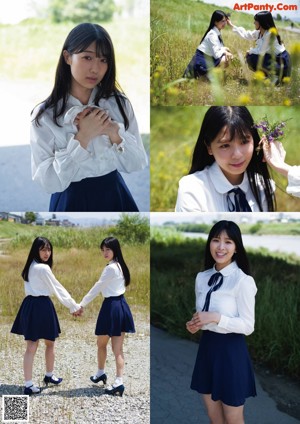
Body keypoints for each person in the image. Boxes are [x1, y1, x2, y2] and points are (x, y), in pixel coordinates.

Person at [30, 23, 148, 212]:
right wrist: (82, 137)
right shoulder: (45, 116)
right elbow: (47, 183)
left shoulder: (119, 104)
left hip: (115, 194)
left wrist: (113, 132)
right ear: (68, 57)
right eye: (87, 57)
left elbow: (137, 163)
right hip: (70, 200)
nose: (95, 68)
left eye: (103, 60)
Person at [186, 220, 257, 424]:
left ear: (236, 248)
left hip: (231, 353)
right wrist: (195, 323)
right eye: (216, 240)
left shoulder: (243, 281)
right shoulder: (202, 277)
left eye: (228, 242)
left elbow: (247, 325)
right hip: (207, 349)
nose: (221, 247)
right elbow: (202, 313)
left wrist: (217, 317)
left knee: (233, 418)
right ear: (209, 244)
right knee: (214, 417)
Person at [11, 237, 81, 395]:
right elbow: (58, 288)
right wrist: (73, 306)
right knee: (35, 346)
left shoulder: (30, 265)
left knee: (44, 344)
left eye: (49, 249)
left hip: (30, 305)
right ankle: (31, 384)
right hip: (41, 306)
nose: (47, 253)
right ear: (36, 250)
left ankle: (45, 377)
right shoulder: (42, 268)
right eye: (43, 249)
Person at [175, 106, 275, 212]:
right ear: (209, 147)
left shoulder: (263, 186)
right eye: (225, 145)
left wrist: (280, 166)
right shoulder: (192, 189)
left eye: (244, 141)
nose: (237, 155)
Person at [77, 237, 135, 397]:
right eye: (102, 250)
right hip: (121, 305)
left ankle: (105, 374)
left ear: (115, 249)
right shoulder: (120, 265)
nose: (105, 253)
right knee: (117, 348)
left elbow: (97, 287)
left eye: (107, 249)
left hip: (111, 307)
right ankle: (114, 379)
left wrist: (81, 304)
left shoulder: (111, 268)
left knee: (102, 344)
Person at [228, 11, 291, 81]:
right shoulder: (259, 32)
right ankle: (269, 75)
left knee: (253, 58)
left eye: (255, 21)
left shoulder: (270, 34)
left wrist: (250, 51)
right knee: (251, 57)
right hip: (272, 59)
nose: (254, 22)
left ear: (261, 22)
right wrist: (231, 25)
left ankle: (275, 76)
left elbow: (261, 51)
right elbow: (246, 34)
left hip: (280, 61)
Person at [183, 10, 233, 79]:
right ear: (215, 22)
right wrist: (225, 51)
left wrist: (225, 50)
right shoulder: (212, 34)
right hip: (201, 61)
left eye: (225, 21)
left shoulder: (216, 32)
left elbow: (218, 50)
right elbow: (217, 55)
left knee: (227, 52)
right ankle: (208, 77)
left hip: (207, 59)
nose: (224, 23)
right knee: (225, 58)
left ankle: (211, 76)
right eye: (222, 21)